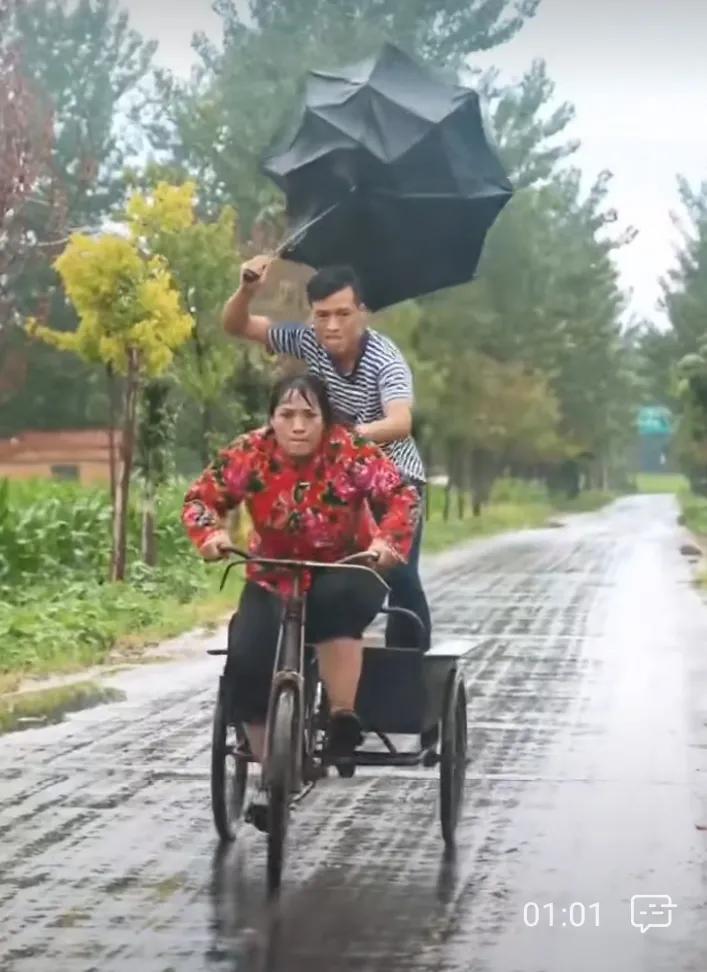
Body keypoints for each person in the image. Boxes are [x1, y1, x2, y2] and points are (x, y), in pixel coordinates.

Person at [182, 374, 420, 829]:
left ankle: (342, 714)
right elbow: (199, 500)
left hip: (346, 566)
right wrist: (211, 534)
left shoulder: (348, 451)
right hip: (272, 575)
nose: (297, 426)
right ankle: (273, 774)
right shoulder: (249, 453)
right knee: (248, 657)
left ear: (325, 419)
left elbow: (401, 497)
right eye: (286, 415)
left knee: (338, 604)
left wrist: (388, 542)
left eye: (309, 415)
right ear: (271, 419)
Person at [222, 255, 432, 651]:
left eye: (342, 314)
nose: (332, 326)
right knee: (314, 570)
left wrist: (340, 438)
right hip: (336, 481)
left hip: (393, 480)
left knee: (399, 575)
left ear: (363, 313)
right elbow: (236, 325)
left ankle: (408, 669)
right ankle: (313, 656)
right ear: (312, 316)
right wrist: (247, 290)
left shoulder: (384, 360)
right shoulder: (307, 340)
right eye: (322, 315)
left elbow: (400, 422)